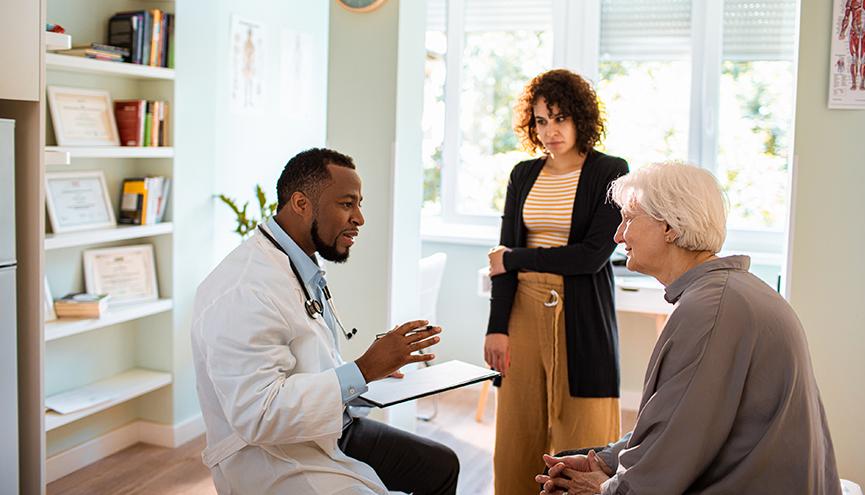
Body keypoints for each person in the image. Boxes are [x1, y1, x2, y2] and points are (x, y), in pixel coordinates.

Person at [536, 162, 840, 494]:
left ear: (670, 227)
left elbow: (673, 447)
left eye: (629, 218)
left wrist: (604, 489)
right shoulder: (726, 294)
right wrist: (608, 461)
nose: (618, 235)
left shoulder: (710, 310)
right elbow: (676, 418)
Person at [191, 148, 460, 495]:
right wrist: (362, 370)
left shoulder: (298, 265)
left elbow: (305, 365)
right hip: (272, 453)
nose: (360, 218)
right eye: (347, 204)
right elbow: (258, 415)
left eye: (359, 204)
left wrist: (371, 372)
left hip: (328, 428)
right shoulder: (243, 290)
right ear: (301, 204)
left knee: (441, 466)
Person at [484, 69, 629, 494]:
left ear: (581, 117)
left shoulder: (611, 171)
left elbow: (592, 256)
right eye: (541, 121)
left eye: (560, 118)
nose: (551, 131)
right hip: (523, 311)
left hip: (583, 313)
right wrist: (496, 327)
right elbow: (501, 262)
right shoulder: (523, 174)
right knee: (517, 433)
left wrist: (515, 258)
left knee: (585, 434)